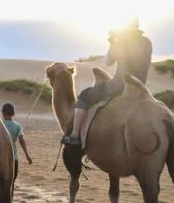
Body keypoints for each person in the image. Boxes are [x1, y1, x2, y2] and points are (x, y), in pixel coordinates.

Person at [62, 19, 152, 147]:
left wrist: (112, 43)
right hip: (141, 86)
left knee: (84, 96)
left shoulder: (122, 41)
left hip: (120, 85)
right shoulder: (147, 42)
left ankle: (75, 135)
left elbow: (108, 61)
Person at [2, 103, 33, 182]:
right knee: (12, 179)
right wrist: (27, 156)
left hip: (0, 157)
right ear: (13, 114)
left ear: (2, 113)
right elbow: (22, 141)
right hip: (13, 157)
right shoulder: (17, 126)